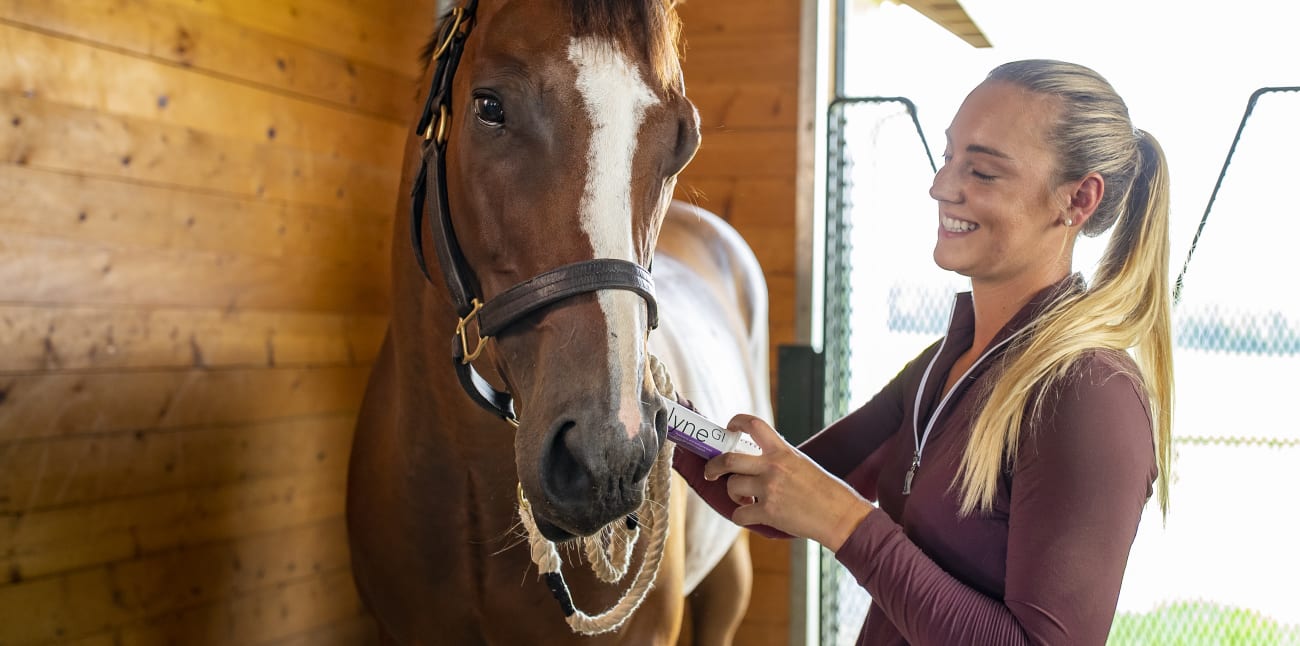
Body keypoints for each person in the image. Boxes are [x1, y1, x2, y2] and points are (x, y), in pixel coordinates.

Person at [667, 59, 1173, 645]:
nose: (942, 187)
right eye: (948, 157)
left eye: (981, 172)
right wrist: (658, 407)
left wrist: (845, 521)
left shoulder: (1090, 395)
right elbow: (764, 487)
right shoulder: (945, 363)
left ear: (1078, 199)